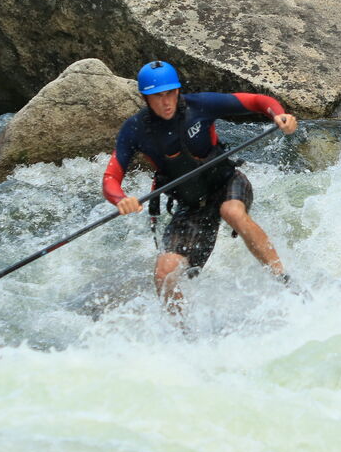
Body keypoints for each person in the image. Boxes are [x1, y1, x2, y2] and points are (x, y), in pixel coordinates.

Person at [102, 60, 298, 310]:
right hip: (191, 204)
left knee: (232, 212)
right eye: (157, 96)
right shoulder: (134, 130)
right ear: (145, 97)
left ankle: (286, 282)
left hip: (227, 182)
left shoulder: (200, 105)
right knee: (164, 272)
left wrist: (278, 114)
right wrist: (120, 199)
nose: (166, 102)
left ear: (178, 91)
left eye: (170, 93)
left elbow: (256, 101)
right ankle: (182, 335)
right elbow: (111, 179)